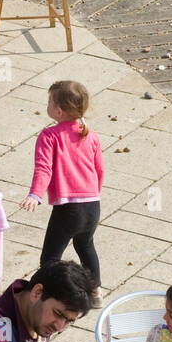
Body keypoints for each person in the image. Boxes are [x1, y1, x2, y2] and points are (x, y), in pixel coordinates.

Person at [21, 81, 104, 305]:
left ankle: (40, 295)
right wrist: (94, 193)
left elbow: (43, 168)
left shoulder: (49, 136)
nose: (46, 105)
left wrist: (35, 194)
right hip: (92, 205)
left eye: (49, 101)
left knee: (50, 257)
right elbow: (99, 170)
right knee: (85, 246)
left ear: (58, 110)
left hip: (69, 208)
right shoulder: (91, 135)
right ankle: (96, 292)